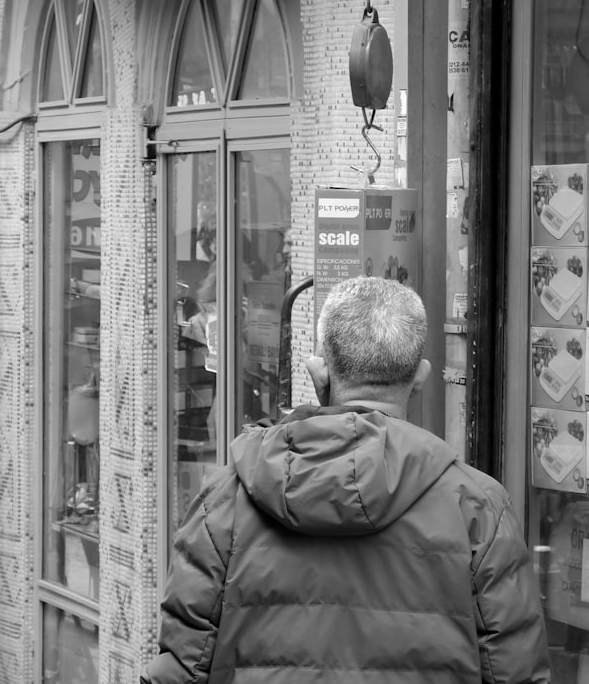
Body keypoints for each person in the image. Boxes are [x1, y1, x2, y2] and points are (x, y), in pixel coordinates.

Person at [142, 276, 551, 683]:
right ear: (421, 377)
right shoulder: (479, 509)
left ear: (319, 374)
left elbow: (181, 669)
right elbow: (514, 673)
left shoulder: (225, 503)